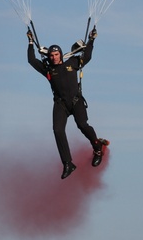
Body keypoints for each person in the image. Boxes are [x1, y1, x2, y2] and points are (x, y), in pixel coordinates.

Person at [28, 27, 107, 178]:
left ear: (61, 55)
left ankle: (97, 146)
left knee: (82, 125)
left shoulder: (72, 62)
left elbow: (87, 56)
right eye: (51, 55)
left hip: (75, 101)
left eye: (56, 55)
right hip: (61, 104)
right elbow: (31, 60)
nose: (54, 58)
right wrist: (30, 42)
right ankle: (68, 163)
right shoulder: (48, 69)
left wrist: (92, 40)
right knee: (57, 130)